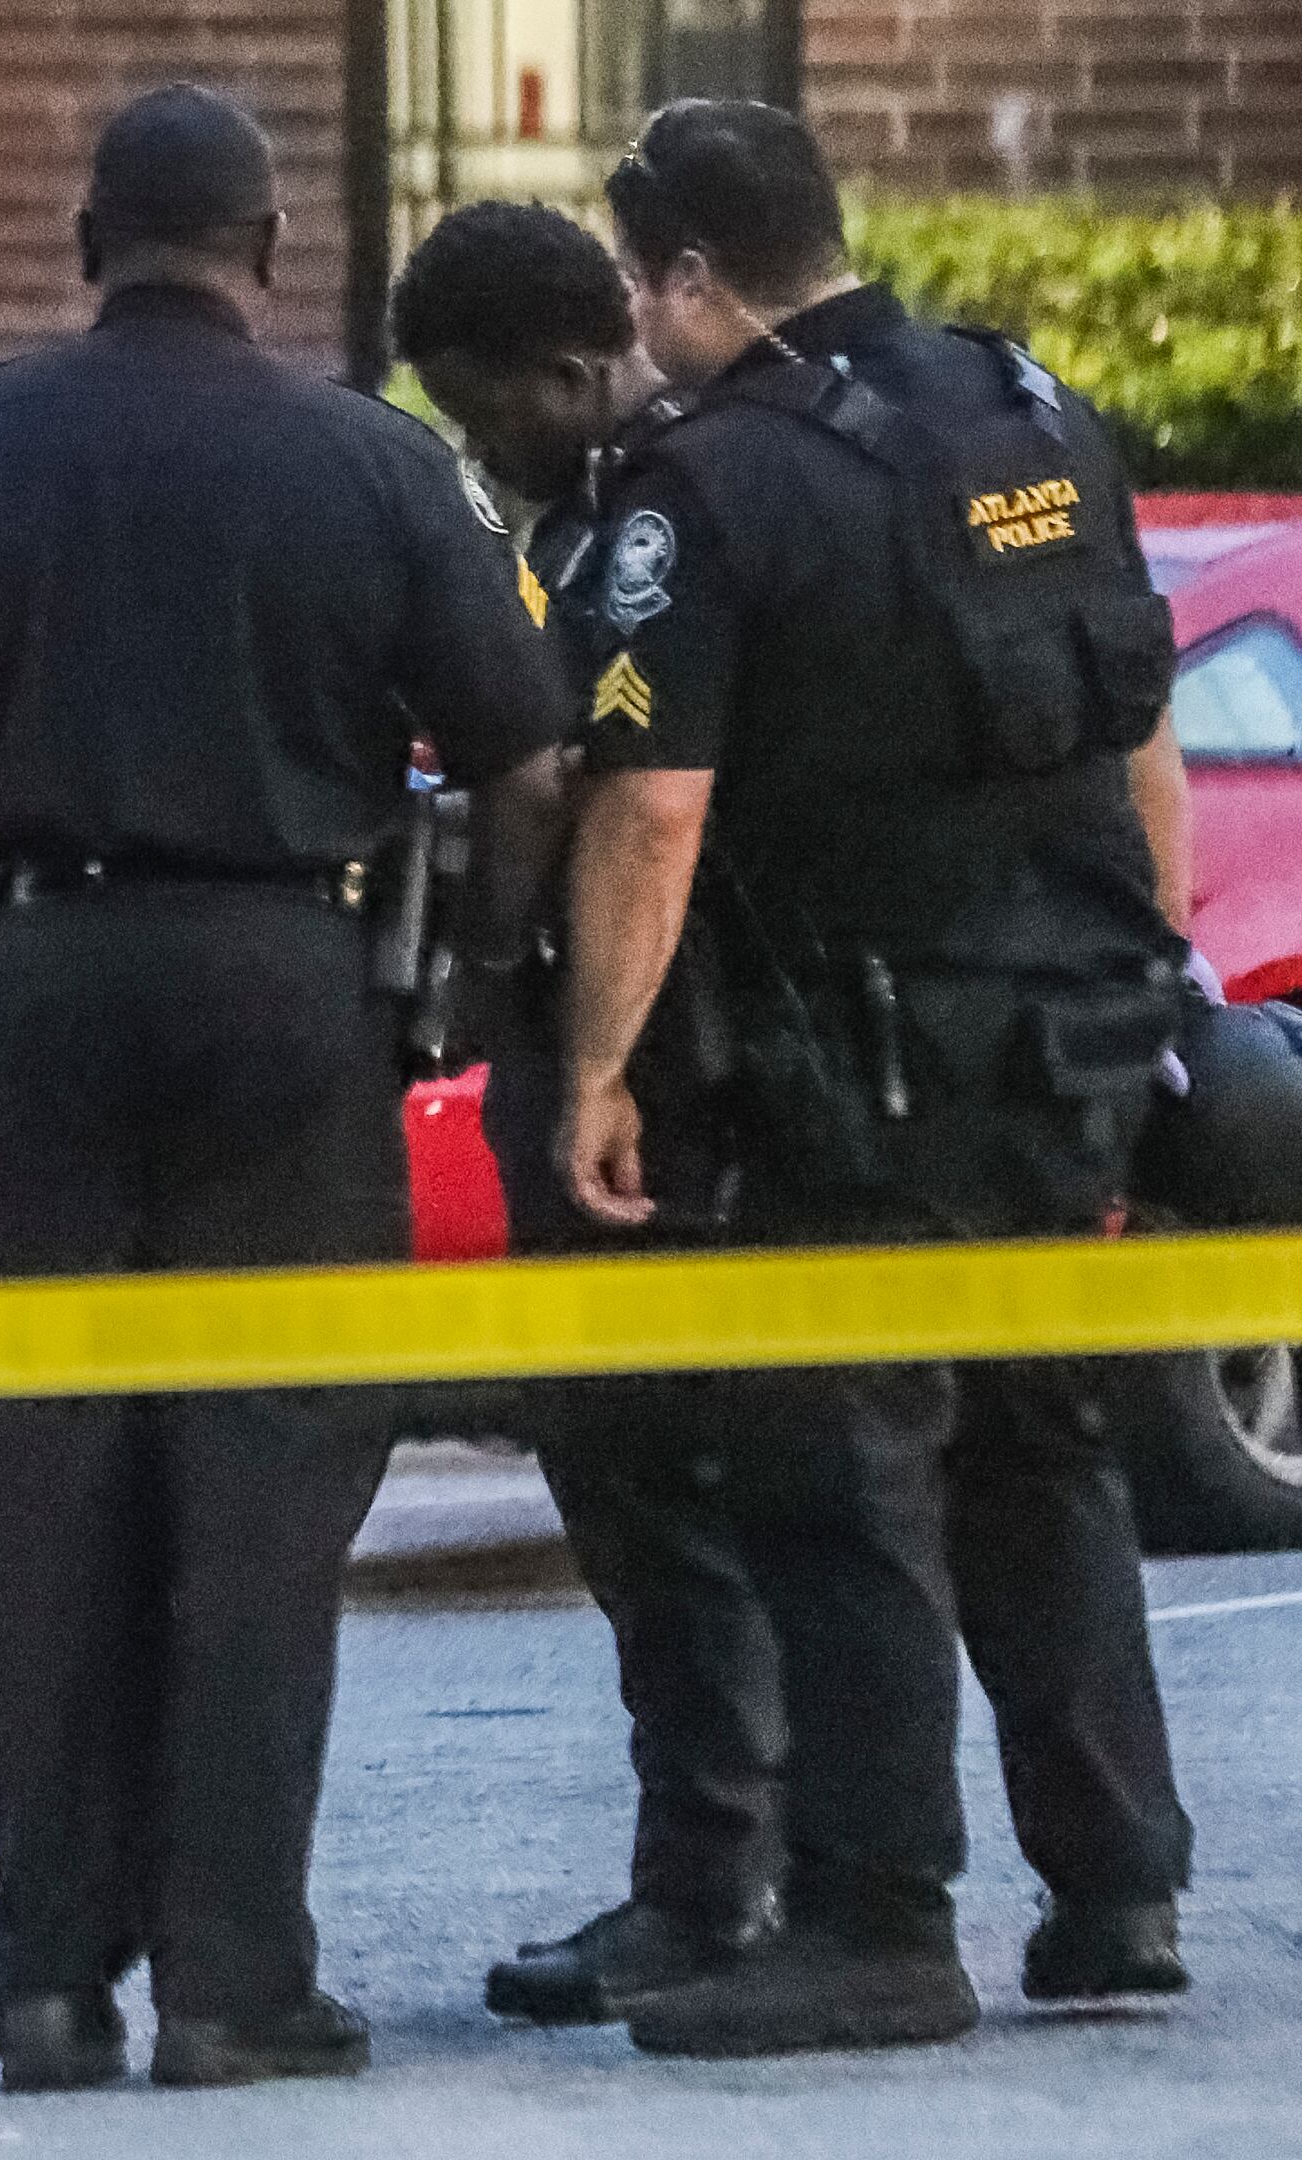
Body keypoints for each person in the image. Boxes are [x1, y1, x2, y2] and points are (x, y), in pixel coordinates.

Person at [0, 85, 572, 2093]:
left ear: (82, 240)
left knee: (33, 1488)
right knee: (266, 1495)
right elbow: (529, 759)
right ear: (275, 248)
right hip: (289, 991)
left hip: (33, 987)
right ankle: (234, 1981)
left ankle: (46, 1976)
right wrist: (468, 982)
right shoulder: (379, 467)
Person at [557, 99, 1199, 2059]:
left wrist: (596, 1066)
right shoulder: (1033, 412)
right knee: (1044, 1451)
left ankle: (875, 1918)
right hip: (1066, 1044)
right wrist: (1145, 976)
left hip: (861, 1069)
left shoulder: (709, 480)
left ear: (686, 280)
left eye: (644, 294)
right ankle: (1115, 1895)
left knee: (836, 1478)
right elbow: (1139, 736)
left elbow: (653, 814)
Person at [391, 203, 785, 2025]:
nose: (479, 448)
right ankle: (745, 1873)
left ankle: (711, 1890)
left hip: (645, 1044)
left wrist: (511, 993)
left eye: (484, 412)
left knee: (648, 1474)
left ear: (563, 370)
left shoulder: (649, 511)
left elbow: (599, 783)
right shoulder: (683, 487)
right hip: (718, 1043)